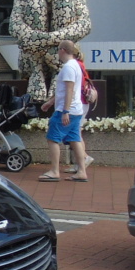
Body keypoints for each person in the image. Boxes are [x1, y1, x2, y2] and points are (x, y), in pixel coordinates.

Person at [39, 39, 89, 182]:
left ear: (62, 50)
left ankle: (55, 171)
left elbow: (69, 90)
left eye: (58, 50)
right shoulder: (76, 66)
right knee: (75, 139)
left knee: (52, 138)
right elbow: (65, 90)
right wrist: (50, 102)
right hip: (77, 109)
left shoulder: (68, 68)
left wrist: (65, 111)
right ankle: (81, 171)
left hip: (66, 110)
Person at [64, 47, 96, 177]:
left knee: (75, 134)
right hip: (83, 103)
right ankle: (79, 163)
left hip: (79, 103)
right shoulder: (81, 66)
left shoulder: (74, 66)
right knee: (76, 133)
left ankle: (84, 157)